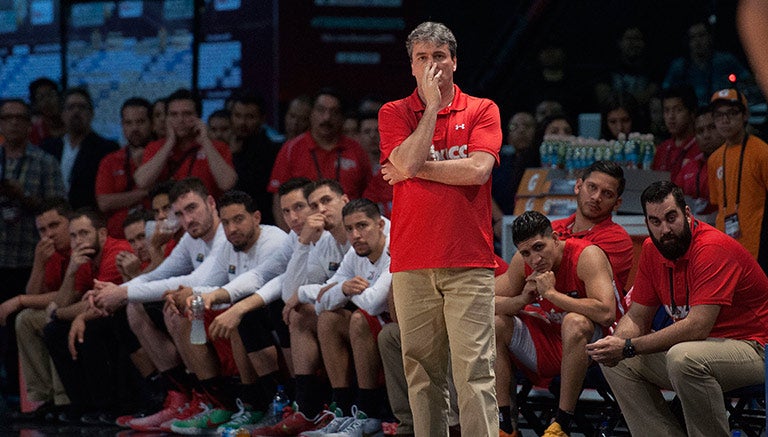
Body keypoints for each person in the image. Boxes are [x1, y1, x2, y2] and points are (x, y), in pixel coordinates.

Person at [378, 21, 501, 436]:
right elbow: (410, 162)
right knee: (421, 372)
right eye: (422, 58)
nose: (432, 66)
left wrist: (413, 170)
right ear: (411, 66)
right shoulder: (393, 112)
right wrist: (430, 107)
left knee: (474, 373)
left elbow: (479, 171)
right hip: (412, 260)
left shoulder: (483, 108)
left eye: (439, 57)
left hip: (469, 260)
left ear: (454, 61)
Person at [586, 181, 768, 437]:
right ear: (647, 223)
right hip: (703, 349)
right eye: (656, 222)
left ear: (687, 214)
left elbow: (697, 327)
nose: (665, 229)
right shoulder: (652, 249)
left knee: (683, 357)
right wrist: (615, 345)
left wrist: (629, 346)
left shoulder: (712, 247)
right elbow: (638, 316)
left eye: (671, 218)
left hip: (757, 348)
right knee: (616, 362)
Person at [494, 211, 618, 437]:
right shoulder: (523, 264)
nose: (535, 259)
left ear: (554, 238)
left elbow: (607, 313)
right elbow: (484, 302)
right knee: (496, 323)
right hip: (552, 344)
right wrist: (522, 299)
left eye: (539, 247)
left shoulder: (586, 255)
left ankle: (560, 423)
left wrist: (551, 294)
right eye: (526, 253)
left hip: (598, 347)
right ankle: (505, 424)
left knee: (574, 321)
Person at [303, 199, 392, 435]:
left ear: (380, 225)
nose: (356, 235)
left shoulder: (394, 249)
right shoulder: (355, 254)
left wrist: (343, 290)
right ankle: (342, 410)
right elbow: (321, 301)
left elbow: (374, 303)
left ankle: (368, 413)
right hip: (378, 327)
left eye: (362, 226)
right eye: (350, 229)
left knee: (359, 319)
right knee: (328, 319)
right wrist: (343, 288)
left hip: (399, 328)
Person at [0, 99, 66, 399]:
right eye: (7, 118)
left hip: (31, 254)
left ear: (29, 124)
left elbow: (59, 210)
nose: (13, 123)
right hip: (1, 252)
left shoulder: (44, 162)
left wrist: (23, 197)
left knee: (20, 324)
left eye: (19, 118)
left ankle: (23, 394)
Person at [42, 208, 134, 423]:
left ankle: (108, 404)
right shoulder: (84, 257)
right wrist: (72, 270)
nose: (78, 241)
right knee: (54, 332)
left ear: (101, 234)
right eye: (73, 235)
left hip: (122, 311)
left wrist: (58, 313)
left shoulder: (115, 252)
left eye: (84, 233)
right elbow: (67, 299)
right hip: (103, 312)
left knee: (89, 330)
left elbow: (98, 302)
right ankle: (82, 403)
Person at [2, 198, 72, 418]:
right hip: (61, 309)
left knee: (49, 318)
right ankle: (45, 397)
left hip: (81, 308)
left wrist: (20, 299)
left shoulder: (79, 244)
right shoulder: (49, 252)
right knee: (25, 319)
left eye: (54, 226)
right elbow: (36, 295)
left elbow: (66, 297)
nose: (48, 235)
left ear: (69, 223)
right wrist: (39, 264)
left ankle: (64, 399)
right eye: (42, 229)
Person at [267, 88, 372, 224]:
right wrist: (289, 240)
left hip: (349, 232)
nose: (326, 117)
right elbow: (278, 199)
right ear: (311, 114)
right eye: (321, 110)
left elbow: (368, 195)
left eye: (334, 112)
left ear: (342, 118)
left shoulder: (356, 150)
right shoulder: (291, 149)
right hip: (304, 232)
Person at [134, 88, 237, 201]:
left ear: (199, 116)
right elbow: (141, 182)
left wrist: (205, 141)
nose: (180, 120)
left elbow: (227, 183)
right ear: (167, 118)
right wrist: (169, 143)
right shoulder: (155, 147)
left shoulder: (217, 147)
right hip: (166, 215)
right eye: (174, 114)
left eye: (187, 114)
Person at [706, 88, 768, 265]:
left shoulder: (762, 152)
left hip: (759, 247)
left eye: (732, 113)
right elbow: (718, 204)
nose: (725, 120)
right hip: (726, 247)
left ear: (745, 115)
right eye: (719, 115)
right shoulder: (714, 159)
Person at [553, 160, 633, 293]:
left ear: (617, 203)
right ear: (578, 186)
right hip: (546, 309)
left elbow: (578, 281)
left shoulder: (618, 239)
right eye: (592, 187)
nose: (596, 197)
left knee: (573, 316)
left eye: (607, 193)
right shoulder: (554, 228)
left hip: (587, 310)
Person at [40, 87, 119, 210]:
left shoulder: (106, 148)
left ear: (91, 113)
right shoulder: (48, 147)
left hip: (89, 217)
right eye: (70, 107)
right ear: (62, 114)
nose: (76, 112)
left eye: (82, 107)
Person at [95, 97, 154, 239]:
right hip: (118, 238)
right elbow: (104, 202)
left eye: (140, 122)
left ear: (152, 124)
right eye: (128, 123)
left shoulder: (162, 156)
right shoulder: (110, 160)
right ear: (122, 125)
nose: (134, 128)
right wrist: (145, 193)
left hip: (155, 236)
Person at [663, 21, 755, 105]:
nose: (698, 41)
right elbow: (665, 91)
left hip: (722, 112)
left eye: (701, 35)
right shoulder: (679, 66)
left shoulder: (726, 60)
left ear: (709, 37)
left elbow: (748, 81)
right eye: (693, 37)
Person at [228, 92, 282, 226]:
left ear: (262, 119)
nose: (242, 122)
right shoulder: (223, 147)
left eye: (249, 117)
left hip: (262, 224)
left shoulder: (273, 151)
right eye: (237, 116)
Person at [492, 112, 539, 216]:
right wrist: (499, 219)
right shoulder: (497, 163)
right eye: (514, 126)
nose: (521, 130)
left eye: (527, 126)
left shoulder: (543, 163)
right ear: (507, 136)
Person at [651, 86, 700, 182]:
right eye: (666, 110)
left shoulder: (700, 148)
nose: (671, 116)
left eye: (678, 110)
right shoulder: (662, 149)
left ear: (692, 113)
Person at [359, 111, 393, 218]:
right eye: (367, 131)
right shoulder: (352, 166)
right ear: (358, 136)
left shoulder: (398, 166)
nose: (373, 136)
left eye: (377, 131)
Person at [28, 77, 65, 145]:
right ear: (35, 105)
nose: (47, 101)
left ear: (60, 97)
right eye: (41, 98)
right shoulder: (33, 132)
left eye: (51, 94)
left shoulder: (73, 125)